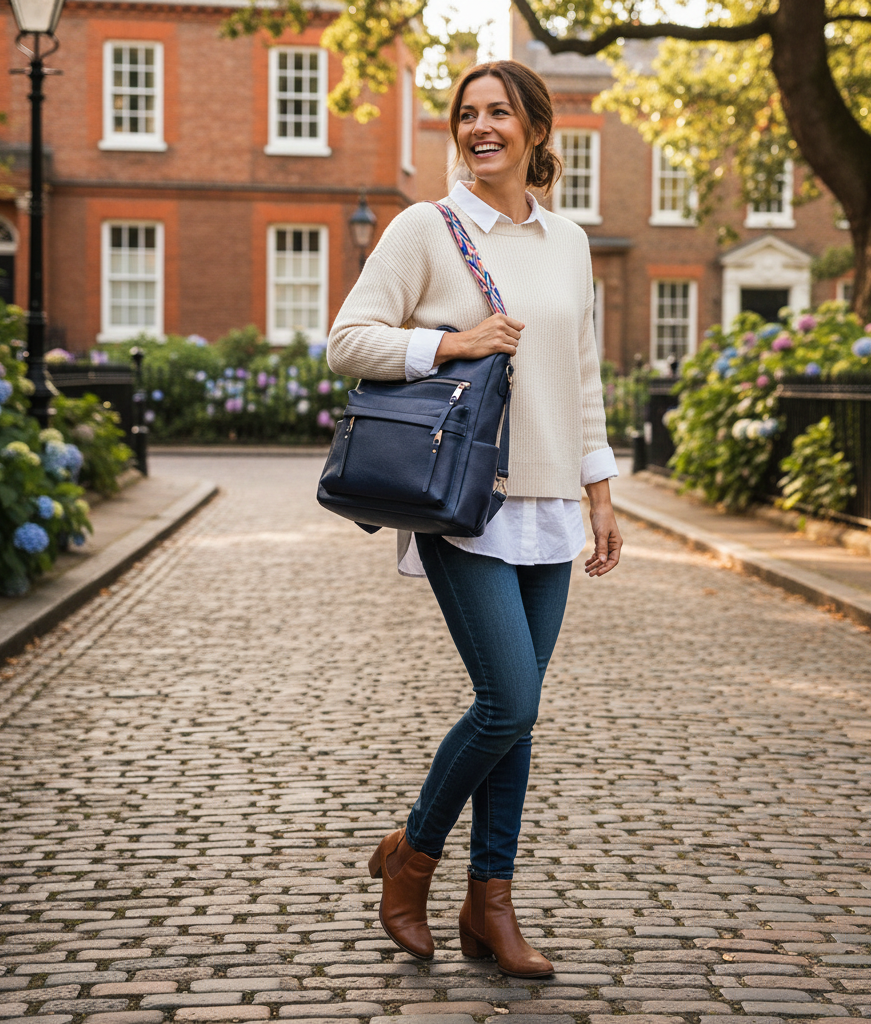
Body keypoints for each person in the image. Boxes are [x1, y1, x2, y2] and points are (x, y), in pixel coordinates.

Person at [327, 59, 621, 978]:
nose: (480, 127)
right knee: (511, 700)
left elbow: (581, 376)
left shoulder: (569, 243)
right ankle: (410, 859)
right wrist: (448, 342)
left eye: (499, 113)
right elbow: (347, 341)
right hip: (463, 502)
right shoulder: (427, 227)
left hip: (549, 505)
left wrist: (599, 489)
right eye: (467, 114)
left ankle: (490, 908)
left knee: (518, 722)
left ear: (537, 129)